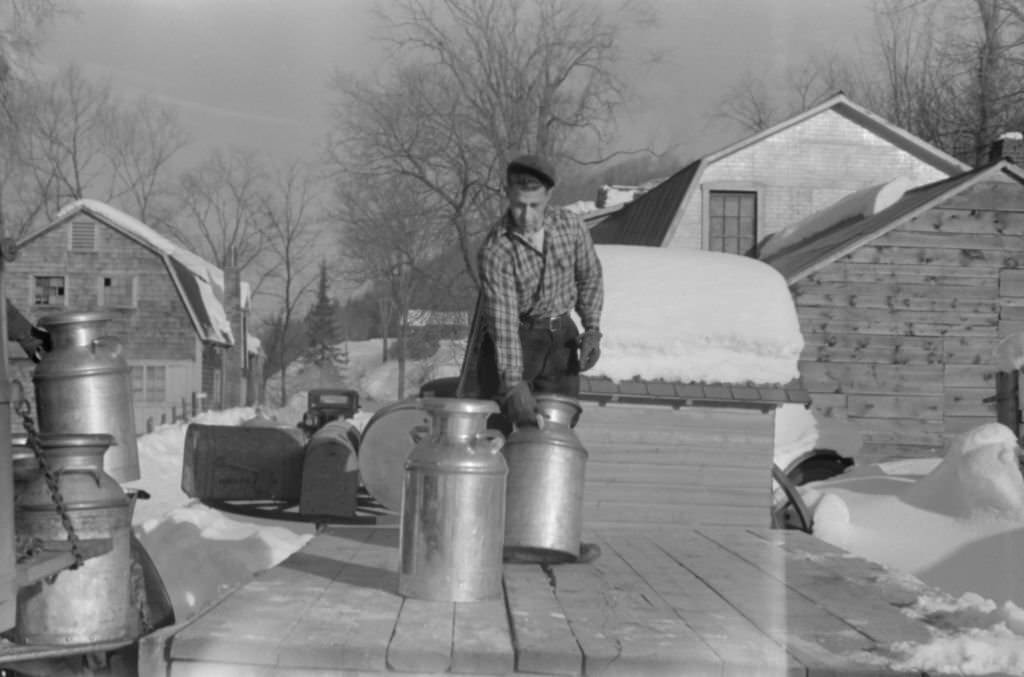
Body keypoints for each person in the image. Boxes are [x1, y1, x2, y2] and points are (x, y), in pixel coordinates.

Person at [475, 154, 604, 564]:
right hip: (517, 338)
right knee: (500, 434)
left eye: (534, 205)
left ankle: (555, 534)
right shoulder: (497, 249)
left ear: (550, 196)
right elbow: (503, 320)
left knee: (557, 434)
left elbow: (590, 275)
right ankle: (488, 538)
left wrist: (593, 327)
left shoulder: (571, 226)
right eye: (517, 205)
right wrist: (513, 383)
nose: (525, 215)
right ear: (507, 197)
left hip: (561, 334)